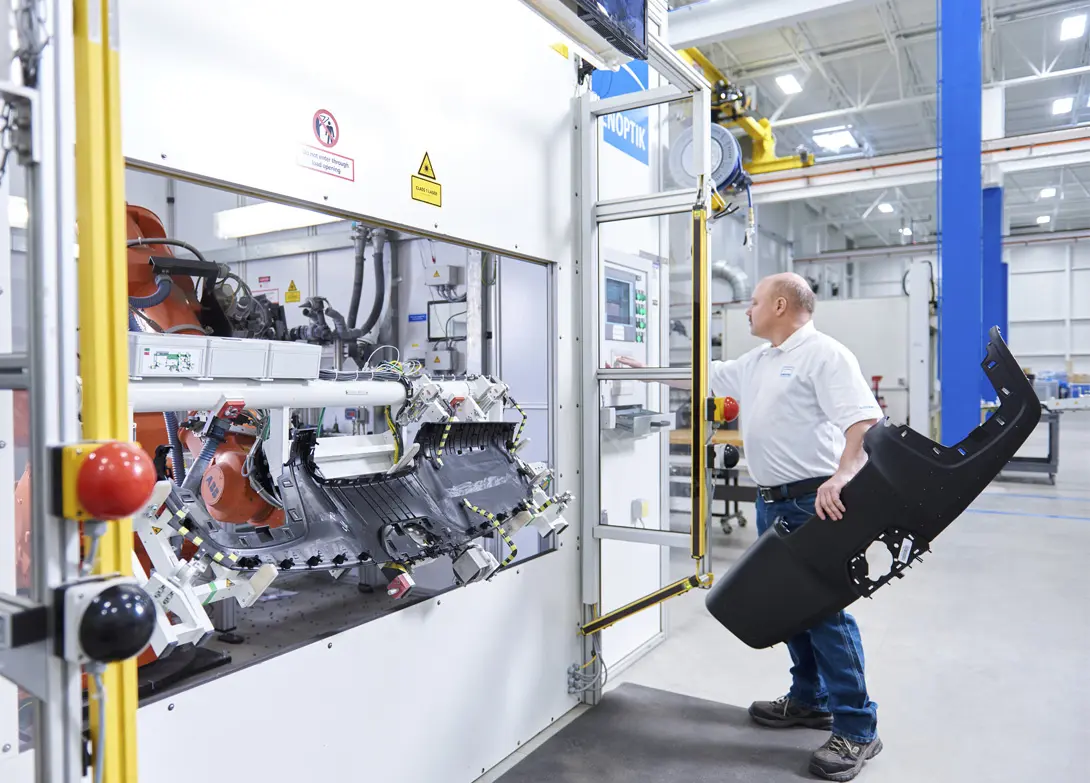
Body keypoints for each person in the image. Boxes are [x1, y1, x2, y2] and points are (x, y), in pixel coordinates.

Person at [616, 272, 883, 781]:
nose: (747, 309)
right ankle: (810, 700)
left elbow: (862, 424)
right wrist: (643, 369)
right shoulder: (760, 361)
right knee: (791, 609)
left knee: (826, 614)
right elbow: (704, 375)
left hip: (812, 504)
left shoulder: (824, 355)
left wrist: (843, 476)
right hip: (773, 505)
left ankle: (859, 728)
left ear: (780, 305)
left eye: (754, 301)